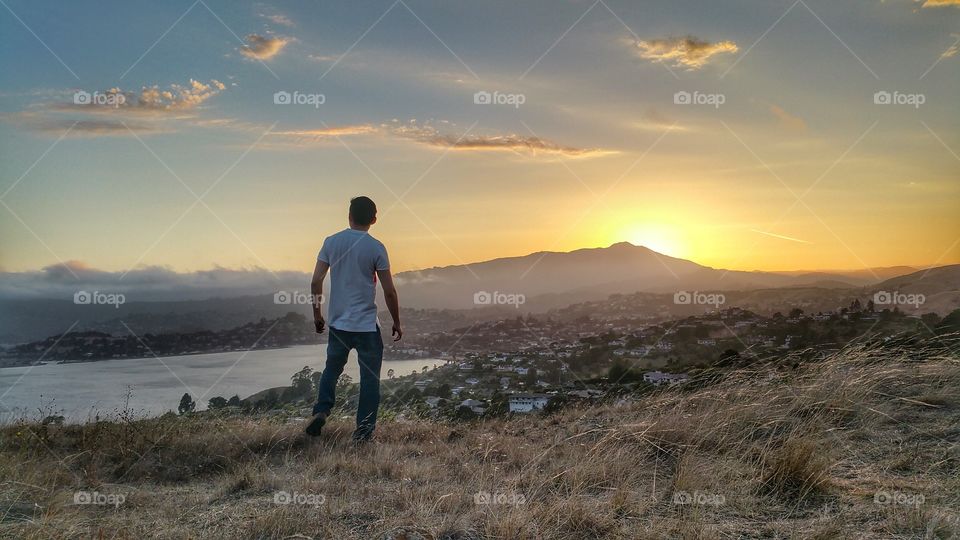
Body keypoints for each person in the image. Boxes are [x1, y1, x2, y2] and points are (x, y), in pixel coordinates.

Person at [305, 196, 401, 442]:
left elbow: (316, 281)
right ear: (374, 220)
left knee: (332, 369)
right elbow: (389, 291)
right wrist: (397, 321)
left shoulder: (331, 242)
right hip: (367, 326)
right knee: (370, 381)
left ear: (348, 215)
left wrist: (317, 314)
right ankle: (363, 432)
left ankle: (322, 410)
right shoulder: (376, 247)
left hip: (338, 325)